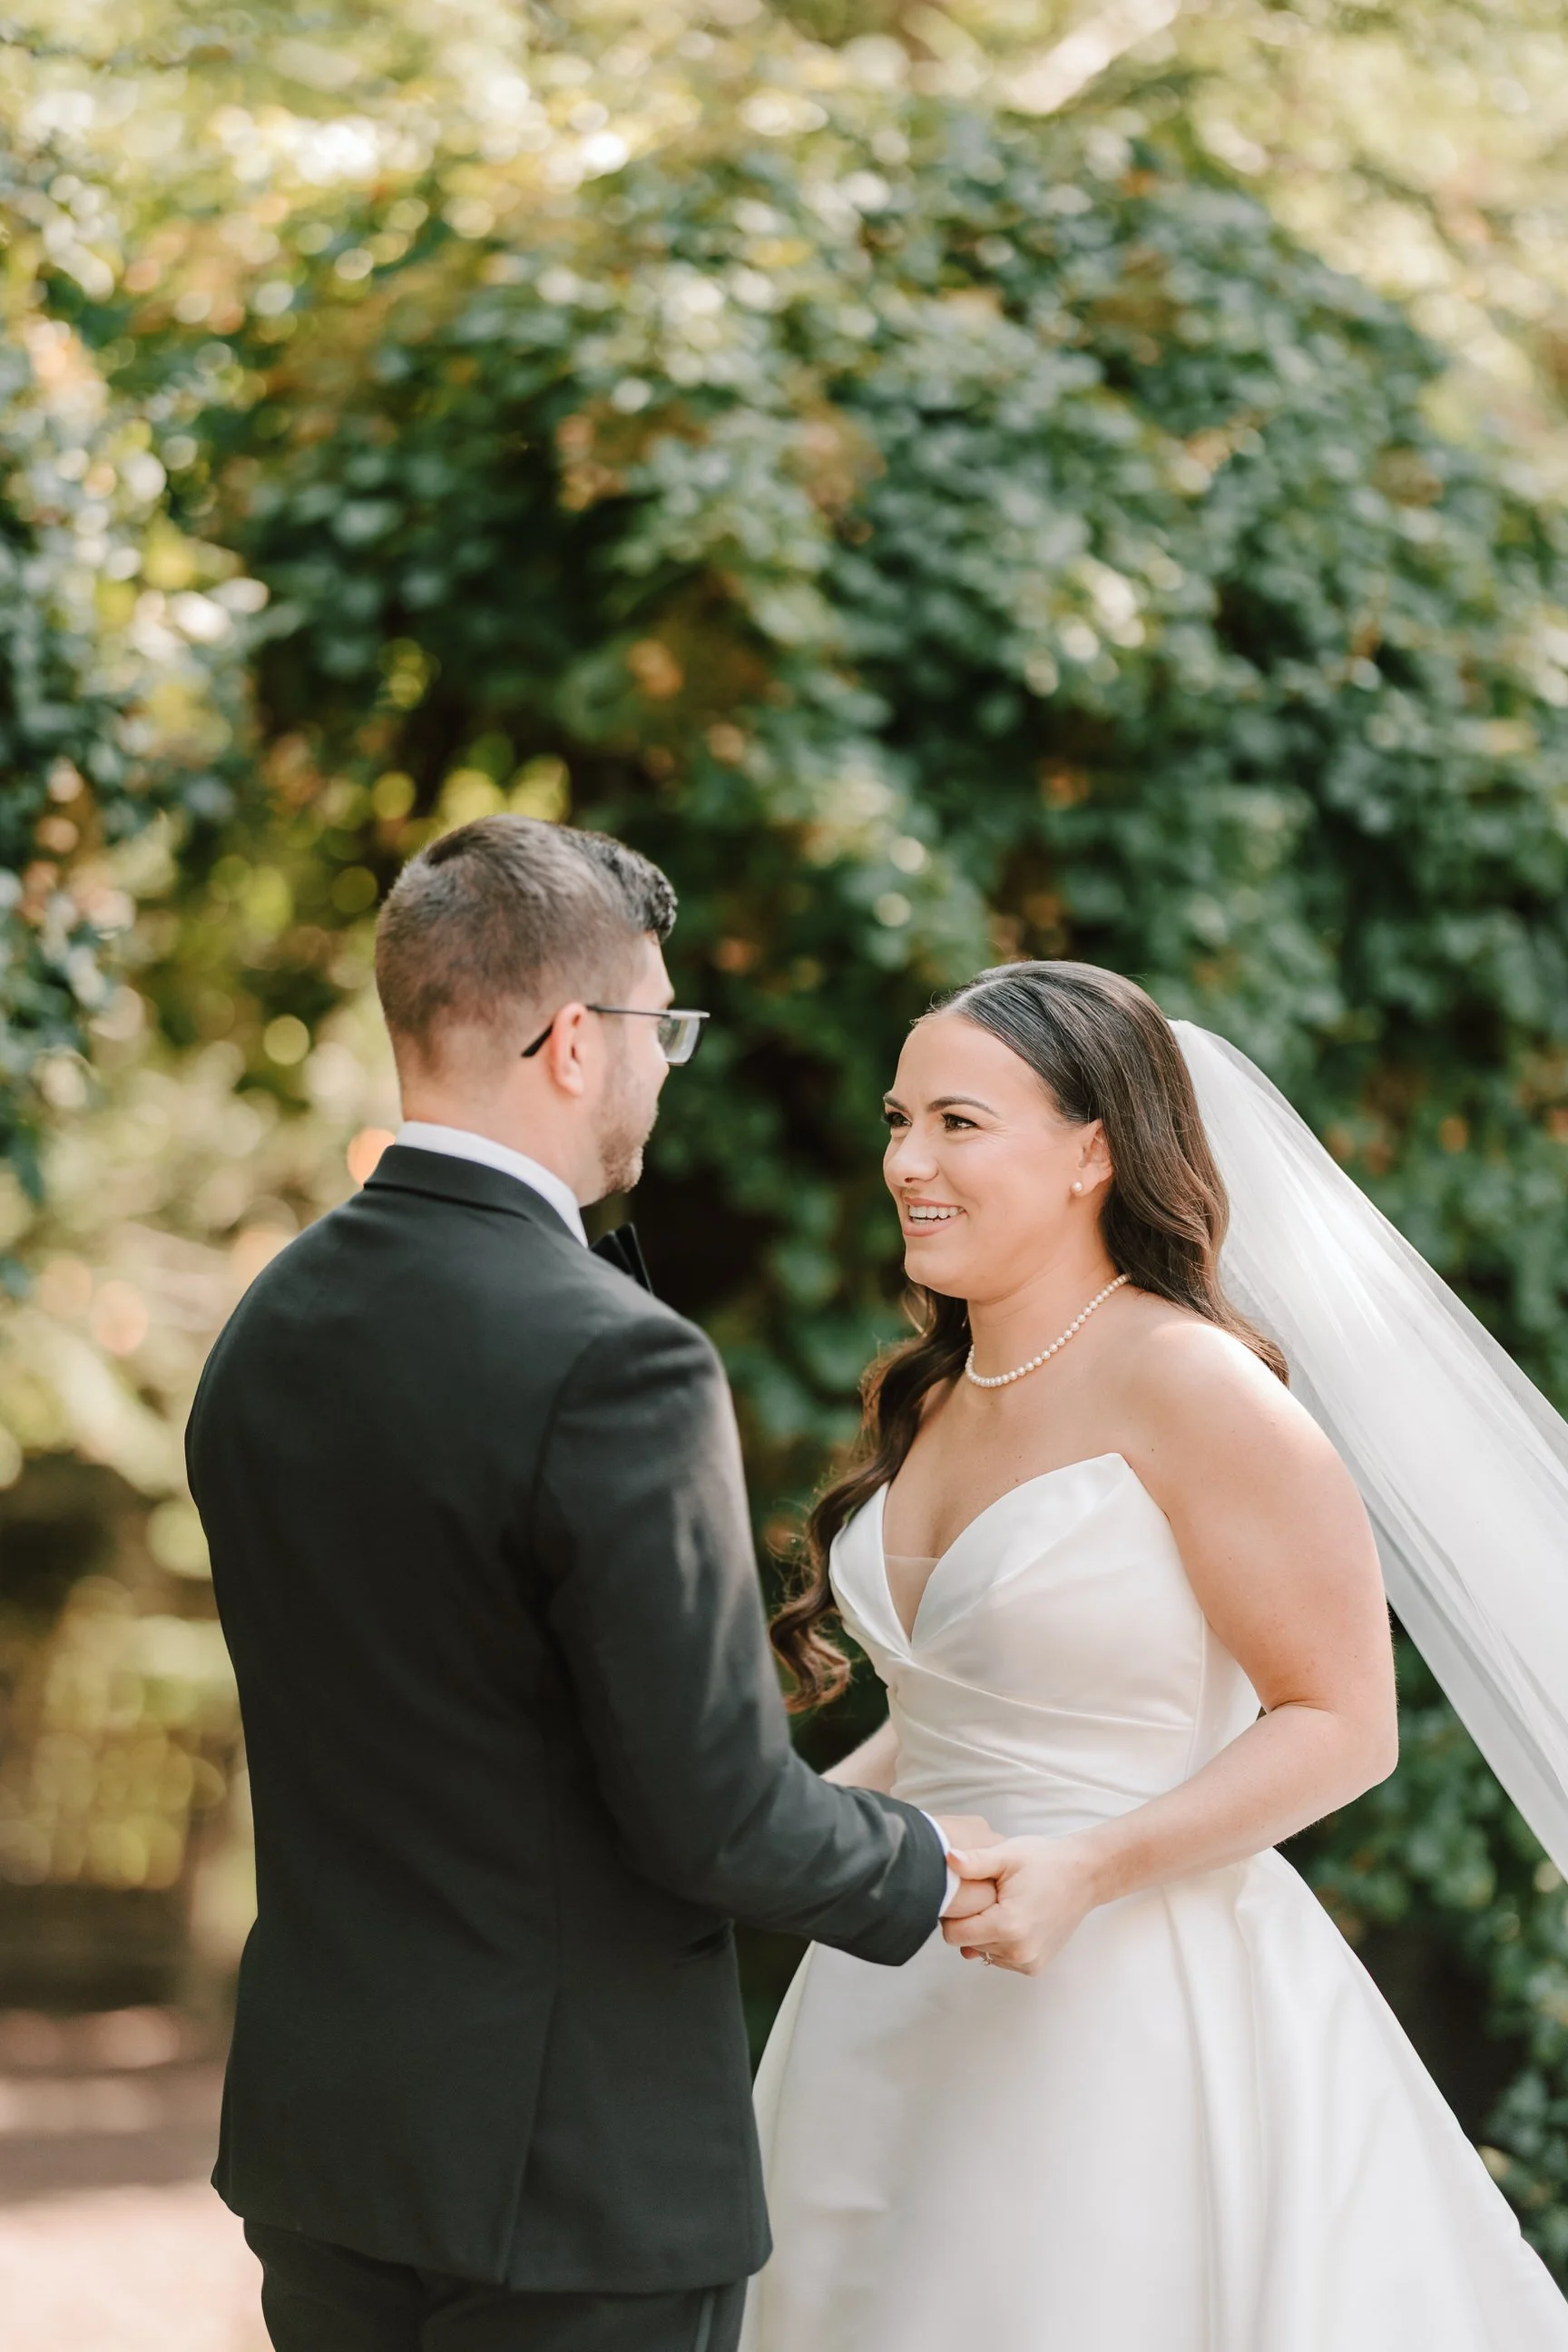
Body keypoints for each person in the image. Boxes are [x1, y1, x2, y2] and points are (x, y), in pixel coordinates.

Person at [186, 815, 995, 2352]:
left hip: (327, 2148)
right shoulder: (616, 1358)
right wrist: (943, 1866)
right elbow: (715, 1814)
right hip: (568, 2186)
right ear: (575, 1040)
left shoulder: (267, 1328)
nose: (664, 1067)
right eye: (661, 1026)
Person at [744, 959, 1568, 2351]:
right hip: (892, 1996)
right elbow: (948, 1721)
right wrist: (782, 1837)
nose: (906, 1162)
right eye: (899, 1121)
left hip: (1122, 1998)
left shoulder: (1196, 1386)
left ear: (1091, 1152)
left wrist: (1088, 1868)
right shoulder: (937, 1391)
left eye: (957, 1123)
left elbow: (1343, 1721)